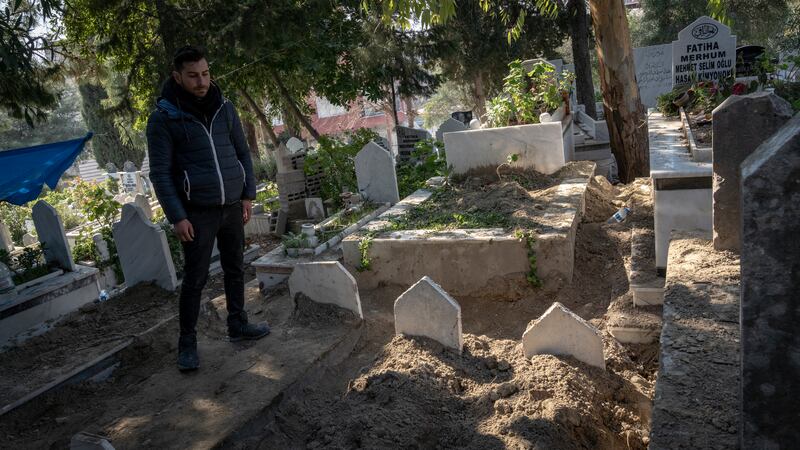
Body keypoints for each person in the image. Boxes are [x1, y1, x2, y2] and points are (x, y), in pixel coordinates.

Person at [146, 45, 269, 372]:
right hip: (196, 212)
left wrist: (247, 194)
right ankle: (187, 343)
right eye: (193, 76)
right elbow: (159, 173)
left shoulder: (224, 108)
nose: (201, 81)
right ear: (177, 77)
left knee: (235, 268)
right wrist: (177, 216)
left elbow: (243, 153)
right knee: (196, 279)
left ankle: (238, 324)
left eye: (205, 73)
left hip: (231, 205)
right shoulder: (163, 118)